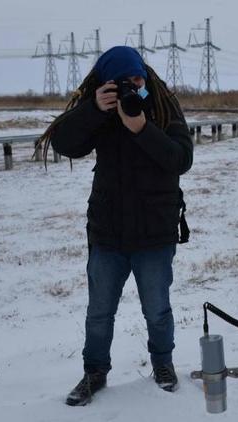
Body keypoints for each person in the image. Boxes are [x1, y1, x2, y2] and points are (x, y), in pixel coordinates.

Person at [38, 46, 193, 406]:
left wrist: (141, 128)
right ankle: (95, 372)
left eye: (137, 79)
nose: (132, 86)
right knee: (99, 312)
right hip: (107, 232)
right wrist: (93, 109)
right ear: (106, 84)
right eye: (123, 82)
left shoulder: (162, 108)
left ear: (145, 76)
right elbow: (64, 143)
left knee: (157, 308)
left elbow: (181, 159)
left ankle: (163, 364)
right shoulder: (99, 113)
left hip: (155, 231)